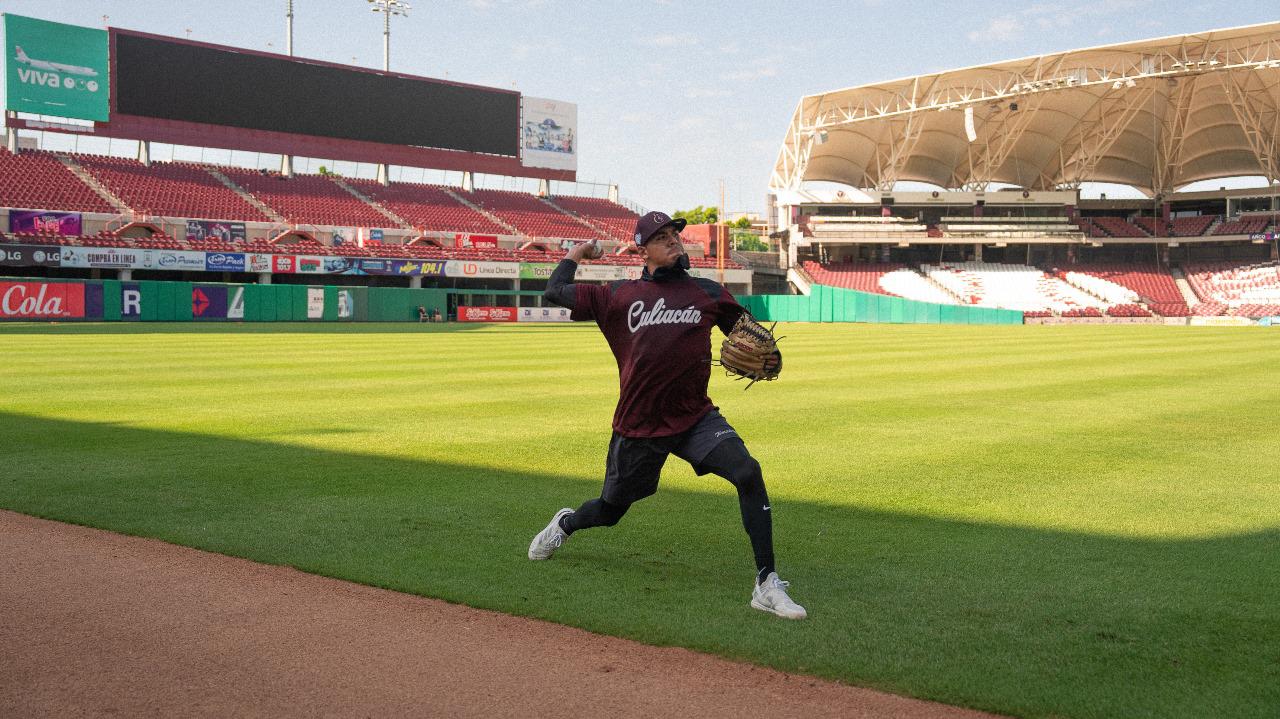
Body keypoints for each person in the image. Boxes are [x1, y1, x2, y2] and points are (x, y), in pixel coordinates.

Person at [527, 211, 805, 619]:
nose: (672, 240)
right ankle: (566, 524)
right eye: (661, 236)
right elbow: (555, 291)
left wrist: (771, 357)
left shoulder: (708, 293)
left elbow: (751, 333)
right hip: (639, 426)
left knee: (748, 472)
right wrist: (576, 253)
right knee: (610, 511)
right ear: (643, 249)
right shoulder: (618, 295)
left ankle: (766, 583)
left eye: (674, 233)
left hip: (695, 418)